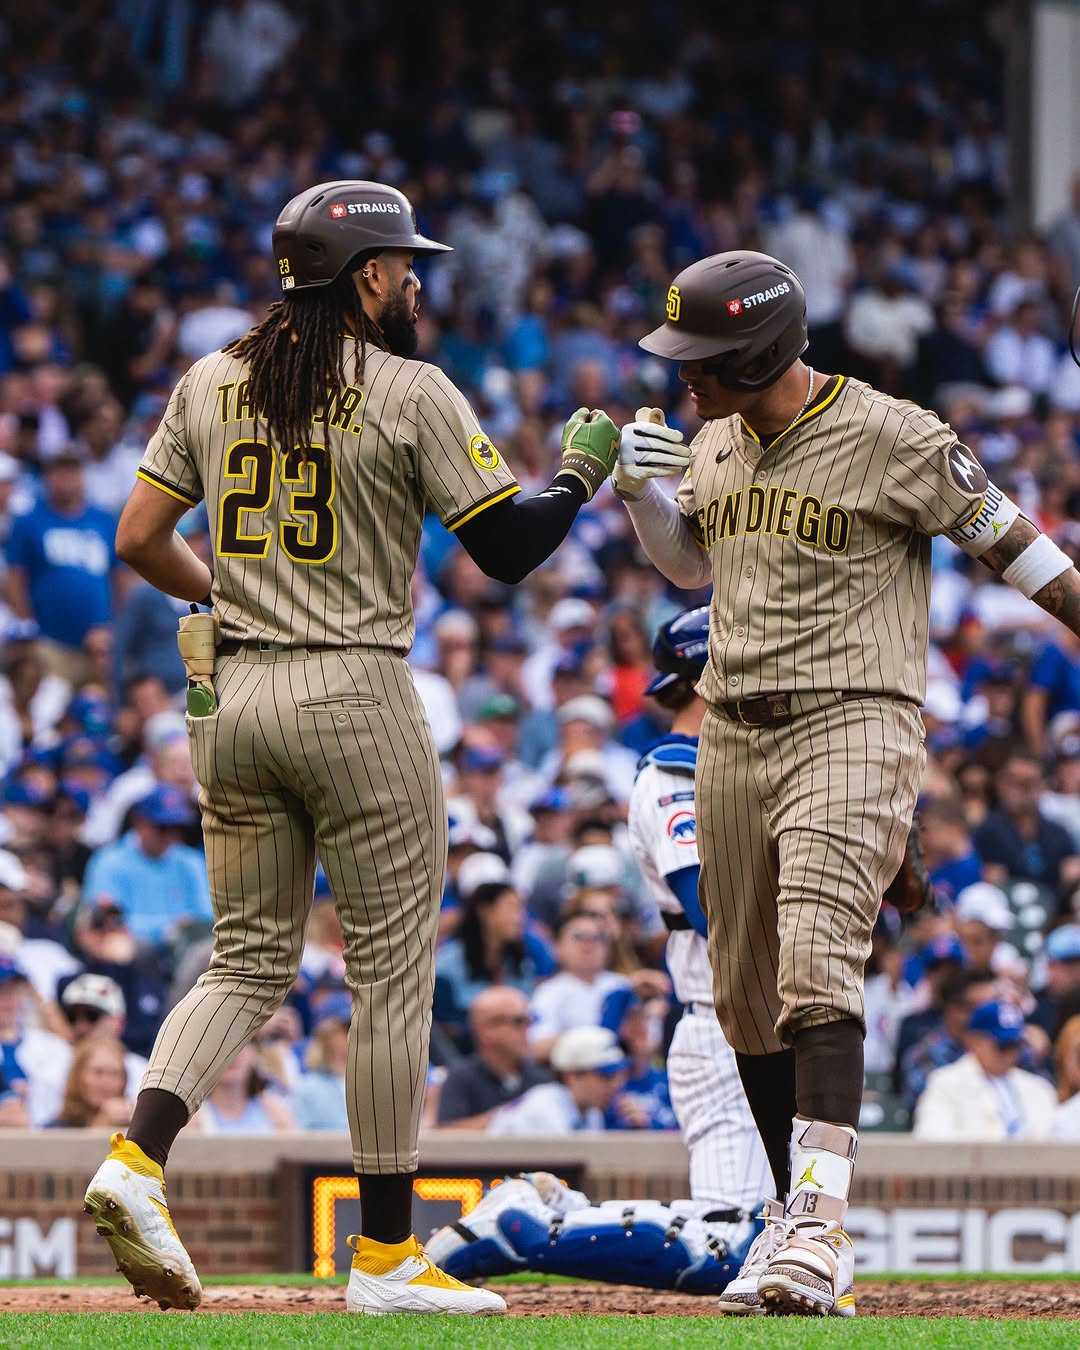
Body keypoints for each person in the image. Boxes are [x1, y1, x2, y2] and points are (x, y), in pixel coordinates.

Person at [84, 178, 620, 1316]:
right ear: (367, 275)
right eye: (405, 265)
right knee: (389, 976)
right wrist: (579, 475)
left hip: (233, 697)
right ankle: (383, 1257)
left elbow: (137, 537)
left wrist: (225, 597)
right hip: (355, 692)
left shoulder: (210, 378)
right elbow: (507, 549)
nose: (415, 282)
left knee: (244, 960)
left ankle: (135, 1159)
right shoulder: (410, 387)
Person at [612, 246, 1080, 1315]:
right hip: (733, 730)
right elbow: (691, 564)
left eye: (703, 358)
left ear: (761, 352)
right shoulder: (715, 439)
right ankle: (797, 1222)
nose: (685, 376)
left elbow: (1021, 551)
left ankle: (819, 1227)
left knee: (818, 964)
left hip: (855, 718)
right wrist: (641, 491)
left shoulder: (896, 434)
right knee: (742, 998)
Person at [623, 606, 772, 1305]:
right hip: (719, 1019)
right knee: (728, 1244)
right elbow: (709, 905)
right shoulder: (672, 776)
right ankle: (539, 1228)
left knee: (782, 1244)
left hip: (770, 1020)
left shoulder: (750, 764)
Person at [912, 1000, 1057, 1140]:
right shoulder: (945, 1084)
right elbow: (931, 1138)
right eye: (1003, 1046)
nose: (1011, 1054)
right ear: (973, 1042)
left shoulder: (1039, 1088)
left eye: (1016, 1045)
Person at [434, 986, 550, 1129]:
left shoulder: (542, 1078)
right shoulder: (460, 1079)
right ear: (485, 1030)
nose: (527, 1028)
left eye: (530, 1020)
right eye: (519, 1021)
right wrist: (509, 1116)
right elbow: (445, 1134)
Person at [49, 1035, 133, 1129]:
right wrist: (100, 1126)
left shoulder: (136, 1126)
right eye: (98, 1072)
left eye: (115, 1073)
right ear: (78, 1075)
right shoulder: (55, 1129)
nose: (106, 1081)